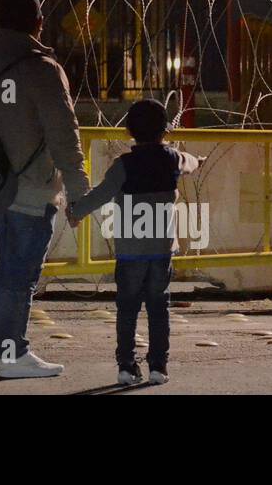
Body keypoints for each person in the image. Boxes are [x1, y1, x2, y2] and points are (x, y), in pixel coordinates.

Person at [0, 0, 89, 379]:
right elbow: (64, 134)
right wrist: (79, 192)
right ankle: (12, 352)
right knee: (21, 275)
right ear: (38, 24)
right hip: (32, 188)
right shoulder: (43, 68)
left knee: (7, 269)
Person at [67, 98, 199, 386]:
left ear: (129, 131)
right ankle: (158, 367)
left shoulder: (123, 166)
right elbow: (191, 163)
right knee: (158, 308)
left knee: (127, 308)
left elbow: (99, 194)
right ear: (165, 130)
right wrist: (198, 160)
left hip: (129, 255)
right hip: (161, 252)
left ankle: (126, 366)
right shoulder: (173, 159)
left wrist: (75, 212)